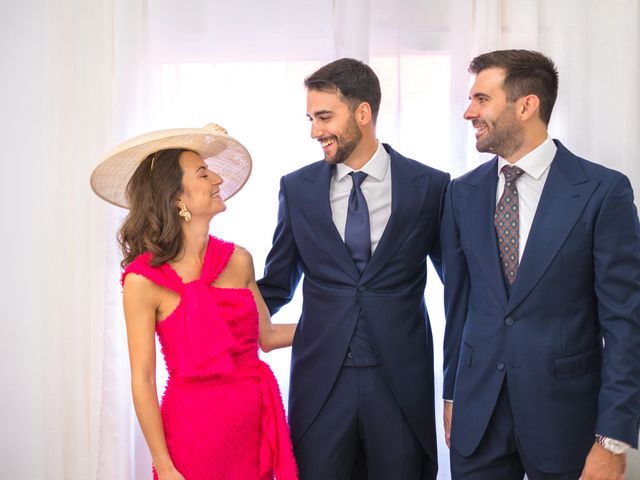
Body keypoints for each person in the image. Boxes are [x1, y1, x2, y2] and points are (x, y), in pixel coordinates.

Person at [442, 49, 640, 480]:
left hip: (568, 424)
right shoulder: (461, 194)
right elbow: (458, 306)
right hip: (478, 421)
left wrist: (614, 437)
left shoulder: (603, 191)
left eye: (481, 99)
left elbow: (625, 323)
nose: (468, 112)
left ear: (526, 105)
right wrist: (452, 397)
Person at [257, 58, 450, 480]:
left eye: (324, 117)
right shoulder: (297, 189)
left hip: (401, 384)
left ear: (363, 113)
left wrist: (458, 385)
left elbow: (459, 290)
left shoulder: (431, 187)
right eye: (310, 118)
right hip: (320, 384)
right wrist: (211, 288)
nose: (314, 131)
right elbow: (275, 285)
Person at [90, 124, 298, 480]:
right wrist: (165, 466)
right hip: (192, 440)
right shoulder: (143, 280)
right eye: (203, 172)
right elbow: (142, 379)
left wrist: (343, 322)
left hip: (253, 433)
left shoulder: (239, 259)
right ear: (176, 198)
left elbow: (268, 336)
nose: (217, 179)